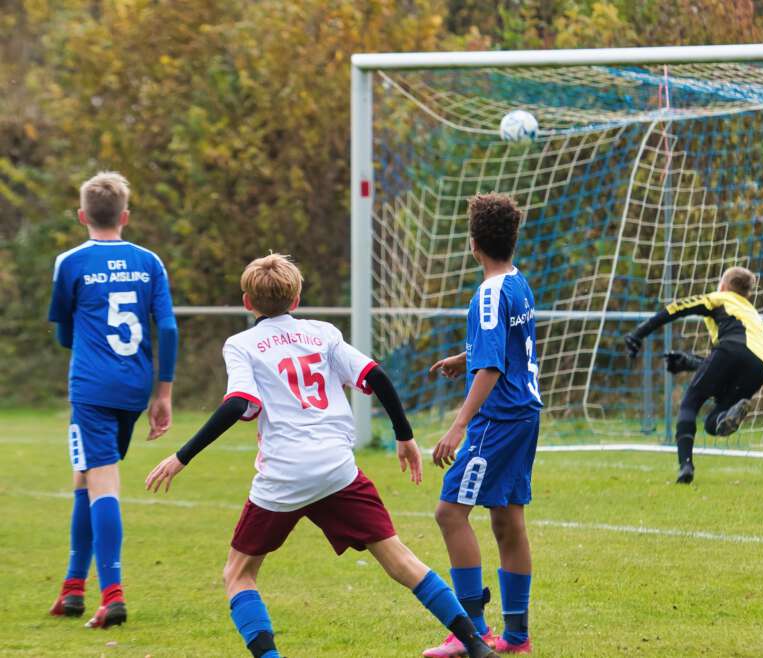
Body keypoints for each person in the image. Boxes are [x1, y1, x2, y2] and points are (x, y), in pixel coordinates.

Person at [143, 254, 497, 658]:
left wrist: (181, 457)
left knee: (239, 573)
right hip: (337, 469)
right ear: (296, 299)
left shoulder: (241, 344)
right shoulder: (323, 333)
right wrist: (405, 437)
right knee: (398, 558)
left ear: (247, 302)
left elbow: (237, 403)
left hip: (285, 475)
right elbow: (376, 375)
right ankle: (475, 645)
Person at [47, 171, 178, 628]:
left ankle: (113, 594)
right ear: (125, 215)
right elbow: (168, 328)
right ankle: (72, 588)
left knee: (100, 479)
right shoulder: (150, 261)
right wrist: (163, 391)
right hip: (135, 387)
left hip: (91, 387)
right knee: (84, 475)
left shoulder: (70, 261)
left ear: (83, 215)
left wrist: (84, 338)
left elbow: (63, 330)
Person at [425, 193, 541, 656]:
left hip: (499, 418)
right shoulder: (517, 281)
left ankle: (470, 632)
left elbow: (492, 370)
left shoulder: (487, 293)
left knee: (449, 513)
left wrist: (457, 427)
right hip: (525, 412)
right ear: (511, 240)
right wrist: (464, 357)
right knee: (507, 520)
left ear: (473, 245)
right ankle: (517, 636)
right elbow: (503, 348)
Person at [623, 266, 763, 484]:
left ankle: (686, 466)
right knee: (714, 421)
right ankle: (725, 417)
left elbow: (677, 308)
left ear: (723, 285)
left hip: (731, 350)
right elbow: (729, 360)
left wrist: (638, 333)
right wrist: (690, 362)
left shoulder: (719, 298)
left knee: (690, 403)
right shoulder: (752, 314)